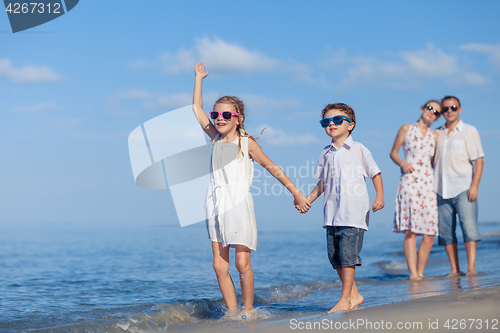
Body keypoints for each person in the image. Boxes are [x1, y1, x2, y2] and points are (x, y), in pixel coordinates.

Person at [193, 62, 310, 314]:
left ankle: (248, 311)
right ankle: (233, 312)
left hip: (239, 207)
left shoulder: (247, 144)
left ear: (239, 118)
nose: (220, 119)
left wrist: (296, 193)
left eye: (226, 115)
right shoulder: (214, 139)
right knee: (219, 265)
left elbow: (273, 167)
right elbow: (196, 108)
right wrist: (199, 78)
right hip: (214, 205)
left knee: (242, 262)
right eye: (216, 115)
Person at [301, 103, 384, 312]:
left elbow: (375, 173)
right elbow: (323, 182)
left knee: (348, 257)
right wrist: (308, 198)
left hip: (353, 212)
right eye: (326, 122)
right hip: (331, 214)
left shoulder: (359, 149)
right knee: (335, 257)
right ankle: (355, 295)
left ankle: (345, 298)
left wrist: (379, 196)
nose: (331, 124)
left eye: (337, 120)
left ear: (351, 125)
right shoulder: (326, 153)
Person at [390, 101, 442, 280]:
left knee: (429, 233)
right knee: (410, 231)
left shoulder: (435, 136)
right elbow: (393, 152)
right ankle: (413, 274)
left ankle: (420, 272)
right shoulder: (406, 129)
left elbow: (435, 162)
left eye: (436, 112)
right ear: (422, 109)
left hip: (427, 185)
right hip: (409, 183)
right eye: (430, 108)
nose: (432, 113)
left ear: (437, 117)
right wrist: (402, 163)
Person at [434, 96, 484, 277]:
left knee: (469, 229)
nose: (449, 111)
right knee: (446, 233)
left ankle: (471, 268)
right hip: (440, 190)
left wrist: (475, 185)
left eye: (453, 108)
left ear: (459, 109)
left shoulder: (469, 131)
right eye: (445, 109)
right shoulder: (436, 133)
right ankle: (455, 270)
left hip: (464, 187)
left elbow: (478, 160)